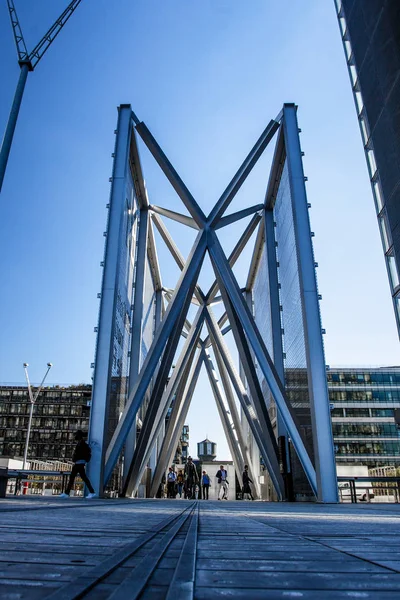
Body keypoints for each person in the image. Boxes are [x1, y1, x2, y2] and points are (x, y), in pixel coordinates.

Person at [60, 430, 96, 498]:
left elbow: (79, 453)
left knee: (73, 478)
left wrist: (75, 458)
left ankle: (67, 493)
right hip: (80, 463)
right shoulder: (82, 444)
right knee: (82, 478)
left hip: (78, 463)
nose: (75, 437)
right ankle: (92, 492)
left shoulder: (81, 444)